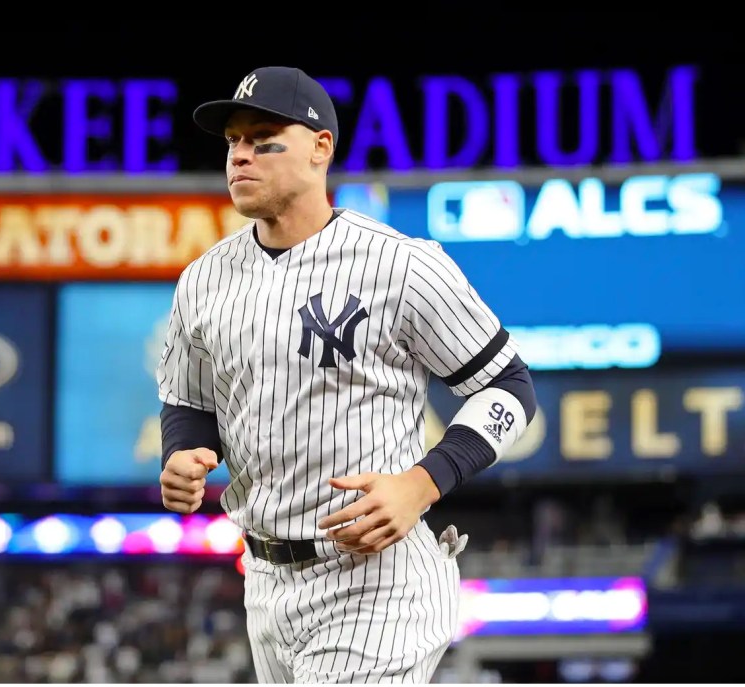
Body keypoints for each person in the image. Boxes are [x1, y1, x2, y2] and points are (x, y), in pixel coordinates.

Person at [156, 66, 537, 683]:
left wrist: (422, 484)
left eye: (263, 139)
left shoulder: (399, 265)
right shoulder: (203, 280)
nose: (241, 156)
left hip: (377, 578)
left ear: (320, 148)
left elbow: (509, 388)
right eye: (233, 141)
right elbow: (189, 400)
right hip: (265, 582)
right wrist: (183, 453)